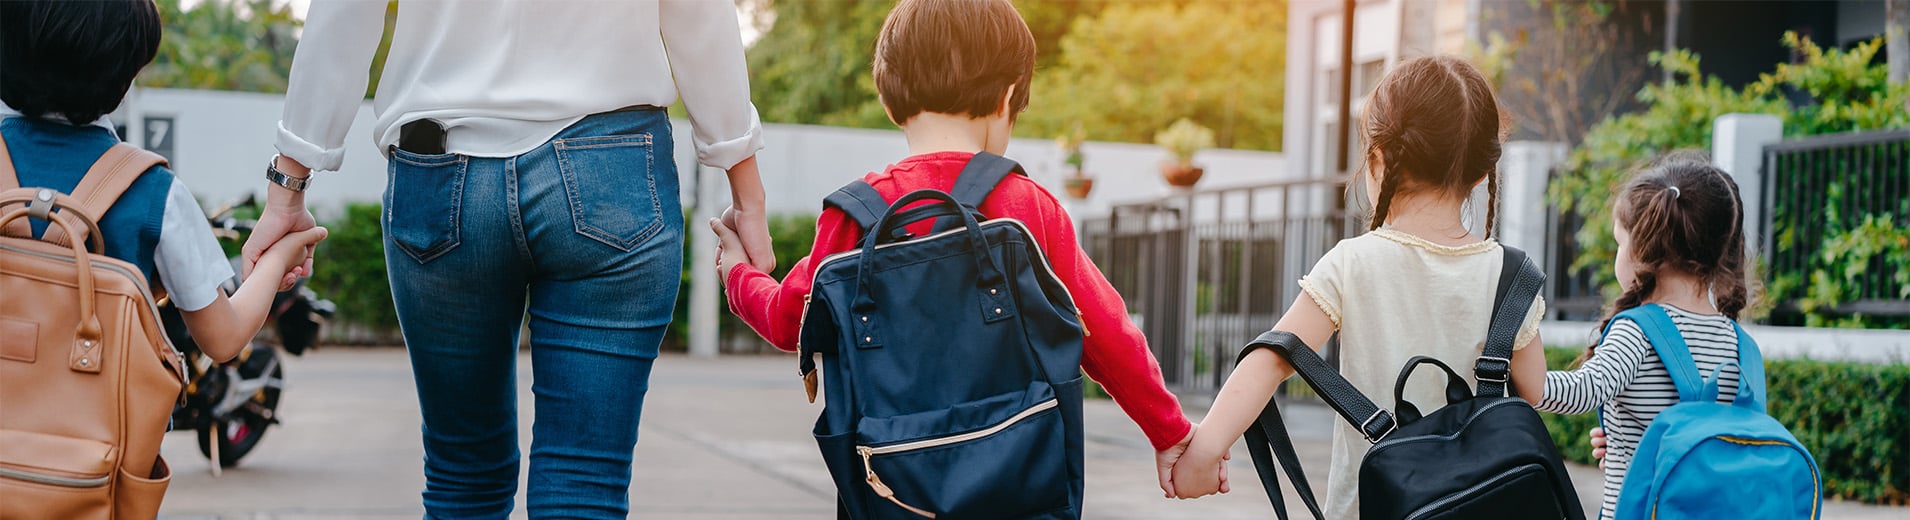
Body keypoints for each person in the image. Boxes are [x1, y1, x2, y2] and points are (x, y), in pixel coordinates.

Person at [251, 2, 774, 517]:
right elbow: (699, 13)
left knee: (462, 479)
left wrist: (288, 186)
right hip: (610, 166)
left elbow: (345, 14)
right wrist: (745, 189)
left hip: (438, 168)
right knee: (585, 481)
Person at [708, 0, 1198, 500]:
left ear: (888, 93)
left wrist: (737, 271)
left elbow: (787, 321)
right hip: (1021, 486)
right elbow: (1107, 334)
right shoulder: (1025, 205)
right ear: (1009, 95)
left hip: (892, 491)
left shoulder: (852, 215)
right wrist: (1171, 434)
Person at [1170, 56, 1548, 516]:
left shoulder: (1352, 262)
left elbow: (1272, 358)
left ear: (1379, 159)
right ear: (1479, 172)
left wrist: (1201, 455)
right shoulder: (1510, 276)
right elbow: (1533, 391)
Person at [0, 0, 325, 364]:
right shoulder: (154, 191)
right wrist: (279, 256)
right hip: (101, 419)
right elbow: (222, 338)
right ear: (126, 76)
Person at [1532, 152, 1755, 520]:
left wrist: (1517, 370)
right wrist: (1628, 447)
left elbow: (1581, 391)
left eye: (1620, 243)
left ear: (1644, 250)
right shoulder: (1737, 341)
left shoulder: (1638, 330)